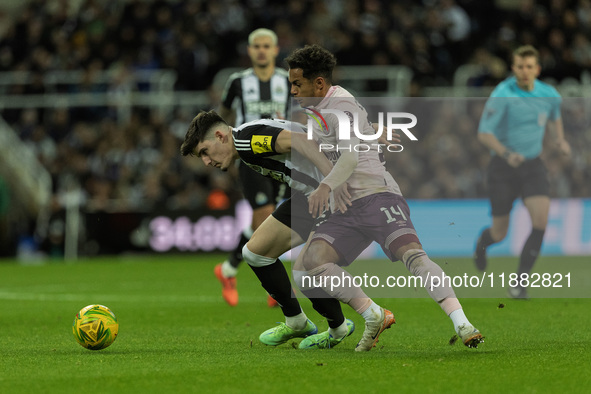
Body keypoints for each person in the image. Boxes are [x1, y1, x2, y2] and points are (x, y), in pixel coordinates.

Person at [284, 44, 483, 350]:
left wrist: (325, 186)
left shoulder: (339, 105)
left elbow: (349, 158)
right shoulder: (322, 109)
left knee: (413, 256)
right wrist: (371, 128)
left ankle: (463, 324)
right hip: (346, 205)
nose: (294, 90)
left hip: (377, 196)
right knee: (310, 265)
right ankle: (373, 315)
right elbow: (348, 132)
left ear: (319, 83)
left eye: (298, 84)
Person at [180, 111, 394, 351]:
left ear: (220, 136)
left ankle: (369, 315)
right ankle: (298, 321)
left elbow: (300, 140)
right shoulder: (248, 137)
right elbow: (307, 131)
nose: (206, 162)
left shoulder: (246, 141)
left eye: (204, 152)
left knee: (306, 271)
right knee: (254, 252)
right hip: (309, 197)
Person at [474, 45, 571, 299]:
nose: (524, 71)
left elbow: (555, 116)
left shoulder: (548, 93)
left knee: (540, 221)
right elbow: (484, 133)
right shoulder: (503, 94)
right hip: (502, 167)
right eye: (520, 66)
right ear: (513, 68)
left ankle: (519, 283)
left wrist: (559, 140)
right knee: (499, 233)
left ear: (537, 69)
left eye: (529, 67)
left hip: (532, 165)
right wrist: (507, 154)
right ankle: (482, 244)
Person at [215, 28, 291, 307]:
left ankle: (228, 269)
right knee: (266, 214)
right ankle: (272, 281)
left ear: (274, 50)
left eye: (266, 46)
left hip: (279, 159)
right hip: (249, 158)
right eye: (256, 46)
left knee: (265, 219)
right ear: (249, 51)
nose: (261, 50)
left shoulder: (287, 81)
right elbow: (221, 115)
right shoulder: (237, 82)